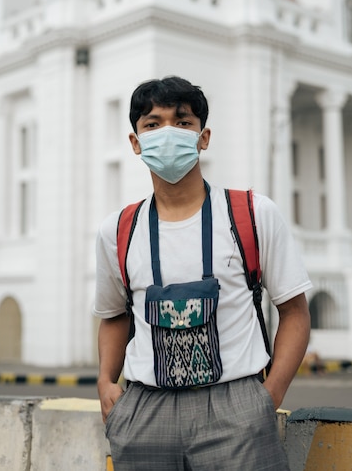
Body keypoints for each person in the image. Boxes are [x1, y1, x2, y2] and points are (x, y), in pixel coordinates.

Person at [94, 76, 312, 471]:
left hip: (236, 405)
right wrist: (106, 382)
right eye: (152, 124)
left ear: (203, 136)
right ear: (135, 142)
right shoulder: (118, 230)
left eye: (182, 122)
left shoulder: (252, 213)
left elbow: (294, 311)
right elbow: (113, 315)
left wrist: (268, 395)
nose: (168, 134)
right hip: (145, 409)